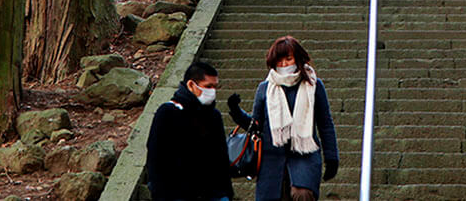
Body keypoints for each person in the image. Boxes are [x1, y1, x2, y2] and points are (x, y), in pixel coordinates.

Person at [228, 36, 339, 201]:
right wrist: (236, 111)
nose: (285, 64)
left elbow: (325, 124)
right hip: (271, 158)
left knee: (302, 194)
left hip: (304, 154)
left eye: (289, 59)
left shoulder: (313, 85)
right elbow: (256, 125)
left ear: (298, 59)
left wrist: (331, 157)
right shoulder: (265, 88)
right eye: (280, 61)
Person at [145, 61, 235, 201]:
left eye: (215, 87)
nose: (212, 91)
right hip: (177, 193)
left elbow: (221, 155)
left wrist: (226, 193)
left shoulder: (214, 116)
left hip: (213, 193)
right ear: (191, 85)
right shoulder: (167, 112)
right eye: (208, 86)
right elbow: (156, 157)